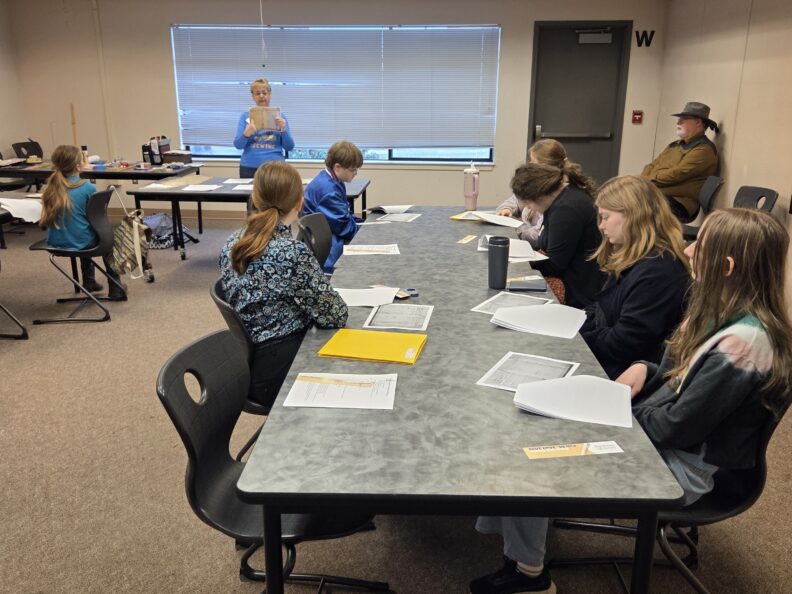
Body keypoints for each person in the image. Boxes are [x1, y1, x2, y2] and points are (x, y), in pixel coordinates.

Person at [470, 208, 792, 594]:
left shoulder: (743, 346)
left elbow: (678, 426)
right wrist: (646, 369)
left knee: (529, 453)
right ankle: (518, 540)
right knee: (532, 421)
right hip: (661, 438)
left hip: (679, 467)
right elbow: (679, 378)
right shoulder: (721, 310)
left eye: (698, 245)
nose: (687, 252)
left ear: (725, 265)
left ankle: (529, 576)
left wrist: (612, 410)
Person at [219, 161, 347, 409]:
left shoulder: (232, 242)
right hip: (282, 369)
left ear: (254, 197)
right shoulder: (291, 252)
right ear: (300, 201)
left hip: (253, 366)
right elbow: (336, 314)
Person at [580, 175, 690, 379]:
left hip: (624, 372)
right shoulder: (633, 255)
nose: (601, 226)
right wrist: (574, 323)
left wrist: (578, 337)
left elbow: (623, 343)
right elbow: (602, 308)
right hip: (612, 359)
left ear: (632, 216)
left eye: (605, 217)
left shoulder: (659, 271)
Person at [509, 162, 604, 308]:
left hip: (578, 291)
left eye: (528, 203)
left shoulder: (566, 210)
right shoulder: (564, 195)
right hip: (577, 279)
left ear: (538, 196)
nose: (528, 208)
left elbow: (554, 265)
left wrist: (519, 262)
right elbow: (545, 243)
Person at [39, 144, 126, 300]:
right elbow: (95, 220)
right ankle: (116, 287)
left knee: (81, 233)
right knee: (106, 240)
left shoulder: (49, 188)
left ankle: (89, 282)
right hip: (81, 242)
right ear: (78, 166)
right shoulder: (87, 188)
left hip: (55, 242)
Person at [496, 139, 597, 247]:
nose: (530, 167)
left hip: (535, 245)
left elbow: (539, 234)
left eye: (532, 163)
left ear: (544, 167)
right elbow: (518, 198)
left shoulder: (556, 194)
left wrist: (515, 230)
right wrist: (507, 209)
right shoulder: (539, 183)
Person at [641, 101, 719, 222]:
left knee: (632, 205)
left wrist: (645, 181)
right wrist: (641, 181)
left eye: (684, 119)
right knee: (621, 200)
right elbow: (652, 165)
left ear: (698, 122)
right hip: (657, 194)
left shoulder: (704, 150)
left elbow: (677, 174)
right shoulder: (674, 145)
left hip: (679, 203)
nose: (678, 122)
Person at [302, 141, 363, 273]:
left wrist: (363, 224)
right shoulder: (329, 191)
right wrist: (365, 232)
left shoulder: (331, 180)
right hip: (328, 246)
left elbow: (344, 214)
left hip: (328, 235)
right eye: (353, 169)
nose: (356, 173)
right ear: (338, 167)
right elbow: (344, 228)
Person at [233, 78, 295, 178]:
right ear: (253, 96)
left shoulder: (281, 117)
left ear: (270, 94)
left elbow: (289, 147)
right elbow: (238, 145)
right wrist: (246, 134)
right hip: (249, 167)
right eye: (257, 93)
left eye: (264, 93)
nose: (261, 96)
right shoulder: (245, 117)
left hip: (276, 168)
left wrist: (283, 130)